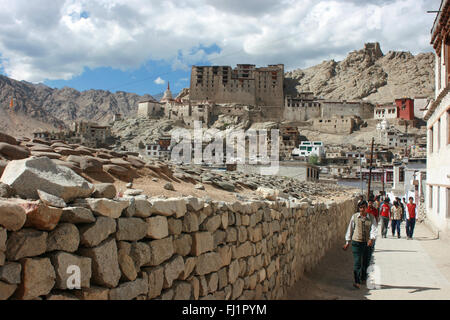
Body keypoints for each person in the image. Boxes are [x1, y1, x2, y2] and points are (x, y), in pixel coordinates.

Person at [343, 201, 378, 289]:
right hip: (356, 242)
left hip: (367, 243)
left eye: (363, 207)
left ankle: (363, 277)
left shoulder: (371, 217)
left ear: (366, 207)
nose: (362, 209)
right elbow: (350, 229)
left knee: (366, 261)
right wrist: (347, 242)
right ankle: (357, 281)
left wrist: (371, 238)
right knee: (357, 262)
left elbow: (374, 229)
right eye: (360, 208)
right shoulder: (354, 217)